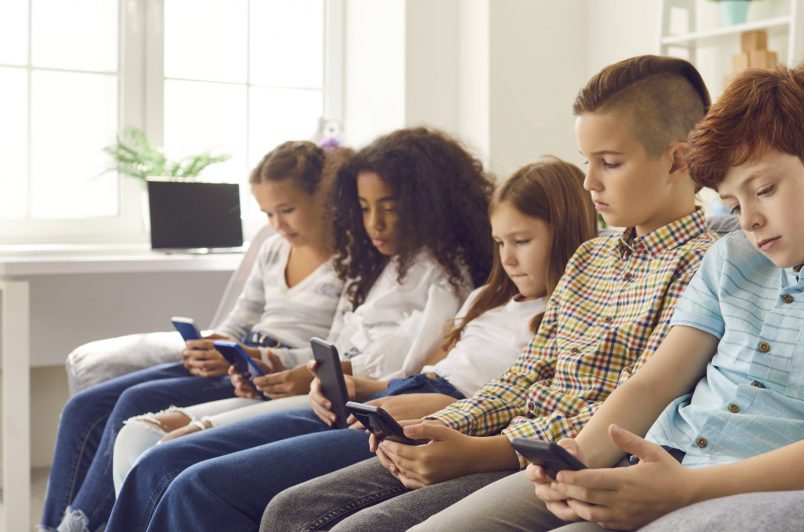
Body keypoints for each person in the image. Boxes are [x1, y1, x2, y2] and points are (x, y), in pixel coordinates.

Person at [417, 62, 804, 532]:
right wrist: (579, 453)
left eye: (763, 190)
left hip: (721, 493)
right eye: (734, 203)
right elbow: (653, 382)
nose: (749, 220)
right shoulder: (730, 259)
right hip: (648, 462)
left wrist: (687, 490)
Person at [259, 54, 717, 532]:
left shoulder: (703, 266)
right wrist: (442, 426)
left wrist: (479, 450)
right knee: (290, 510)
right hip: (510, 434)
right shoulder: (589, 259)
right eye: (587, 162)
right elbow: (525, 375)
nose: (590, 182)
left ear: (677, 160)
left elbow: (624, 408)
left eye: (611, 163)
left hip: (556, 455)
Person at [102, 128, 501, 531]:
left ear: (427, 205)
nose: (374, 224)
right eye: (363, 208)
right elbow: (348, 345)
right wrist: (302, 370)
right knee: (148, 437)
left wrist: (318, 374)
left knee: (178, 466)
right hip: (329, 389)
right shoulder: (386, 264)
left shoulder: (449, 280)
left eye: (390, 208)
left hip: (357, 401)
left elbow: (412, 368)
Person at [39, 140, 350, 532]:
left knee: (134, 400)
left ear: (322, 197)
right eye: (268, 214)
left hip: (274, 367)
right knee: (82, 407)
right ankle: (53, 527)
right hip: (238, 354)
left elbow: (340, 345)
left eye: (287, 210)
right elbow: (241, 318)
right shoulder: (273, 250)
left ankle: (77, 527)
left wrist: (245, 352)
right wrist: (213, 343)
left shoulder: (352, 258)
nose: (277, 224)